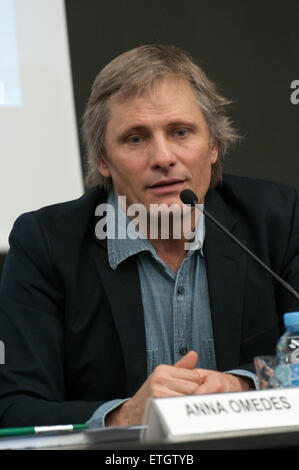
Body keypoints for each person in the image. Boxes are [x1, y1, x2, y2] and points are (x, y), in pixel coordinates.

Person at [0, 45, 298, 428]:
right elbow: (13, 408)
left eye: (180, 132)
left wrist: (243, 387)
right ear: (103, 160)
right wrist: (123, 415)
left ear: (213, 146)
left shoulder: (278, 220)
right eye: (136, 139)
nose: (163, 157)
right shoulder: (46, 244)